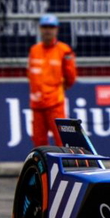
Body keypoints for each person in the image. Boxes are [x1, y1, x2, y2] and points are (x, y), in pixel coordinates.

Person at [26, 13, 77, 148]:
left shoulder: (64, 50)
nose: (47, 30)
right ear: (40, 29)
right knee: (38, 143)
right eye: (45, 27)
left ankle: (64, 168)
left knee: (62, 140)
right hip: (37, 105)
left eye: (51, 27)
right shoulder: (34, 50)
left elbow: (71, 76)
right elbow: (30, 74)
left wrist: (59, 89)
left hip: (55, 104)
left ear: (56, 29)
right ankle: (43, 169)